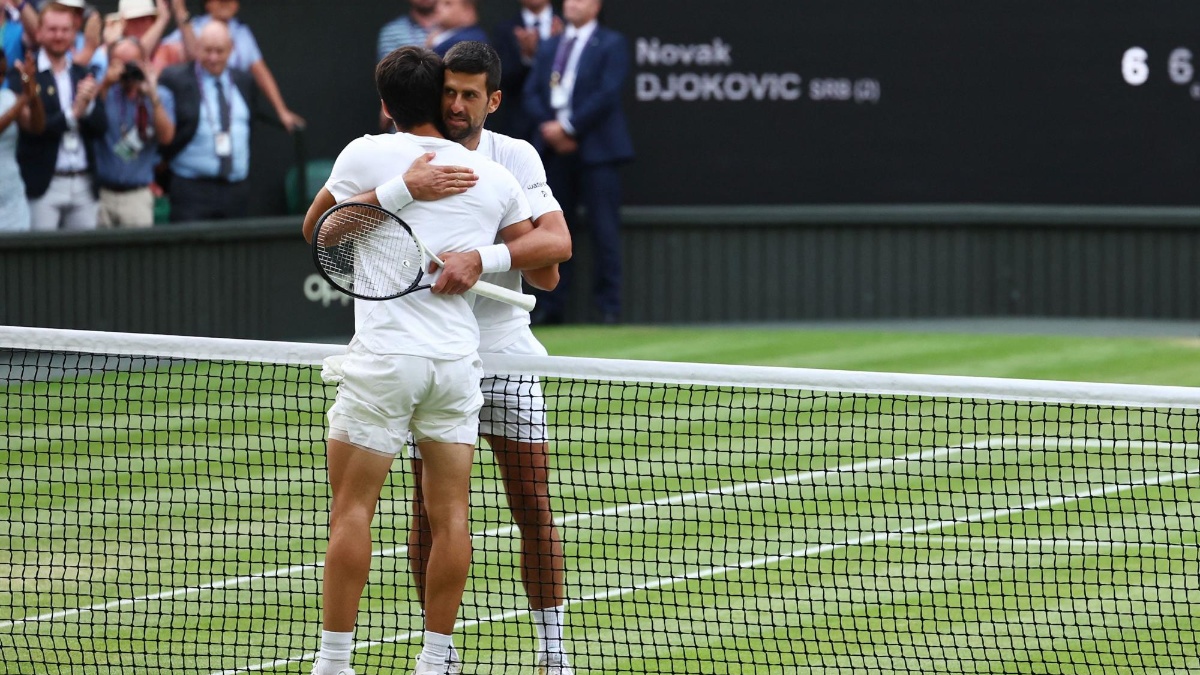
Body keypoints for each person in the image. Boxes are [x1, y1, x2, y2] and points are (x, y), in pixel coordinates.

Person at [301, 45, 549, 675]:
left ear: (386, 105)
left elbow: (317, 232)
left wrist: (398, 194)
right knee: (452, 516)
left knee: (351, 511)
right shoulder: (491, 177)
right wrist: (483, 249)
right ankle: (436, 658)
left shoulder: (363, 154)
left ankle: (334, 663)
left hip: (385, 363)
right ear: (440, 97)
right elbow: (546, 266)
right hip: (455, 369)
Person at [397, 40, 575, 675]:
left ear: (492, 100)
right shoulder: (409, 157)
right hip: (437, 358)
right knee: (428, 512)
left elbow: (553, 257)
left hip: (507, 355)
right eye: (448, 92)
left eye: (469, 95)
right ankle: (438, 652)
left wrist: (484, 255)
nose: (456, 104)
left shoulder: (514, 157)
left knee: (532, 505)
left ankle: (553, 653)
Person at [523, 0, 633, 325]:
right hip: (553, 151)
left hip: (598, 150)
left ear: (597, 6)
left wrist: (570, 127)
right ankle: (551, 306)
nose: (572, 3)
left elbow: (607, 93)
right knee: (553, 228)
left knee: (604, 229)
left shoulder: (611, 43)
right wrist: (551, 128)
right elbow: (531, 92)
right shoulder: (550, 45)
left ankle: (608, 307)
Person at [157, 19, 282, 222]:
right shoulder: (177, 80)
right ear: (197, 47)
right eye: (207, 51)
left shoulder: (244, 80)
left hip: (235, 190)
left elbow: (249, 126)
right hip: (191, 189)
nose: (213, 58)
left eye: (219, 51)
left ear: (231, 49)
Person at [15, 1, 106, 232]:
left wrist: (88, 107)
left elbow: (101, 127)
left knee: (86, 252)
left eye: (65, 30)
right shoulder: (26, 74)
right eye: (53, 29)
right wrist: (73, 113)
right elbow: (34, 129)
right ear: (39, 32)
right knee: (41, 252)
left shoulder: (83, 73)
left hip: (84, 183)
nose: (59, 36)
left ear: (74, 34)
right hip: (45, 183)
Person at [158, 0, 303, 131]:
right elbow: (168, 54)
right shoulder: (193, 27)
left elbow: (261, 72)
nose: (225, 4)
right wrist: (180, 12)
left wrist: (281, 111)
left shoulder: (241, 33)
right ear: (207, 4)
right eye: (220, 1)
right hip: (200, 106)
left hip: (233, 106)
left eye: (229, 1)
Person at [93, 36, 173, 227]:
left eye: (132, 63)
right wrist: (106, 83)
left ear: (144, 62)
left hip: (138, 194)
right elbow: (89, 121)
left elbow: (166, 138)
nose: (127, 70)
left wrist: (152, 95)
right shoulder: (104, 91)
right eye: (120, 63)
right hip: (101, 194)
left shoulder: (160, 96)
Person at [489, 0, 561, 141]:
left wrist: (558, 48)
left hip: (563, 127)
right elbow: (501, 79)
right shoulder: (505, 29)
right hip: (519, 126)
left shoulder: (566, 25)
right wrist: (527, 57)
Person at [375, 0, 436, 131]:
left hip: (440, 126)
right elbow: (390, 81)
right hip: (402, 122)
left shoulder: (454, 29)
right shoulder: (392, 32)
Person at [0, 49, 43, 232]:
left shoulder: (8, 98)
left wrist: (32, 93)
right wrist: (24, 98)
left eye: (2, 73)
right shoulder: (16, 102)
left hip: (11, 199)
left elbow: (37, 126)